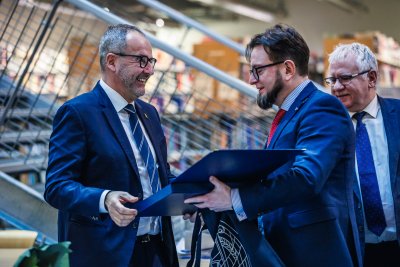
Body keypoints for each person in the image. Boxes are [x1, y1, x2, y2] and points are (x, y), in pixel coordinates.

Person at [185, 24, 362, 267]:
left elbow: (306, 177)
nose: (251, 80)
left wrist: (235, 199)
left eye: (258, 70)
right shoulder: (290, 113)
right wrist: (212, 197)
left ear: (288, 69)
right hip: (288, 251)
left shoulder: (322, 108)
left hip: (313, 255)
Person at [44, 24, 178, 267]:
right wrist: (104, 198)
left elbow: (159, 174)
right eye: (141, 60)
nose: (149, 70)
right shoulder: (77, 113)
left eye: (151, 61)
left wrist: (188, 192)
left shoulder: (149, 114)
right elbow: (56, 187)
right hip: (107, 254)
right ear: (112, 61)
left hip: (158, 249)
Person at [327, 42, 400, 267]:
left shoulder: (398, 117)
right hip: (355, 252)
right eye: (332, 80)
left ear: (371, 78)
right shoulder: (325, 128)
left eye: (345, 78)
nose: (337, 87)